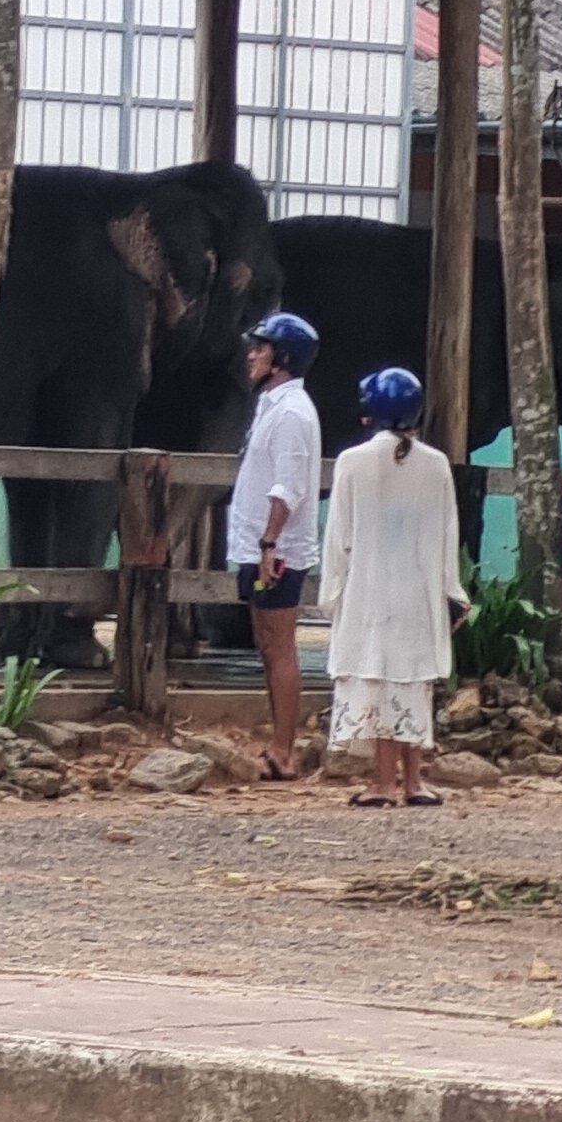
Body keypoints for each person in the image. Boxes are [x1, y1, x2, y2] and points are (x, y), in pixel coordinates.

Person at [319, 366, 468, 808]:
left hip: (368, 592)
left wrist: (332, 595)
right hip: (417, 594)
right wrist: (452, 591)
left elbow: (338, 539)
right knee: (411, 682)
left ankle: (383, 784)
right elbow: (448, 534)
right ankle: (414, 782)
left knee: (378, 679)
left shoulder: (352, 462)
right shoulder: (437, 465)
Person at [227, 310, 324, 780]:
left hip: (276, 551)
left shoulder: (290, 413)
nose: (252, 355)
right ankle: (277, 742)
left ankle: (285, 750)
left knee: (280, 646)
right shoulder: (273, 405)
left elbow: (288, 487)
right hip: (259, 545)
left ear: (282, 359)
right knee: (267, 646)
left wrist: (270, 543)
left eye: (261, 349)